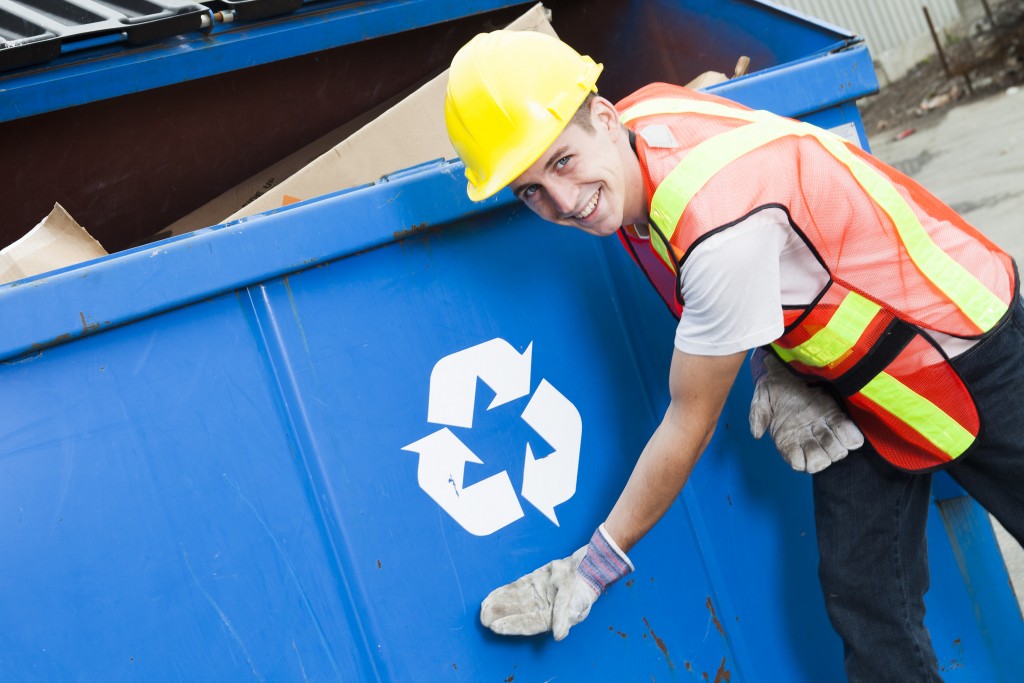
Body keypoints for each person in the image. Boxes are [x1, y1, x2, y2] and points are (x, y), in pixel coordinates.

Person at [443, 29, 1024, 682]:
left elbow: (688, 422)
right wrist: (779, 360)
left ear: (604, 118)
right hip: (856, 385)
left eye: (562, 162)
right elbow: (711, 95)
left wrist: (594, 566)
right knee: (866, 597)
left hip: (960, 341)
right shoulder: (643, 118)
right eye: (529, 191)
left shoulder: (718, 233)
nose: (564, 201)